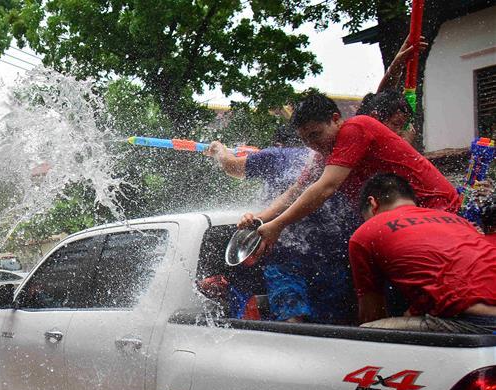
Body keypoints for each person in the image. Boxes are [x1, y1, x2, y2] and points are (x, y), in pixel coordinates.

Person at [245, 91, 461, 255]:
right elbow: (295, 191)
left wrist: (279, 224)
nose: (313, 145)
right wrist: (261, 218)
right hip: (401, 223)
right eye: (306, 140)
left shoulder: (355, 128)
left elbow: (325, 188)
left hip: (437, 214)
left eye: (316, 135)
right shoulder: (326, 153)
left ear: (336, 118)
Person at [208, 125, 355, 323]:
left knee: (292, 321)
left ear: (278, 143)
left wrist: (218, 149)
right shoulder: (328, 158)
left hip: (286, 257)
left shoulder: (274, 155)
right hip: (333, 256)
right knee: (332, 325)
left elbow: (231, 166)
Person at [349, 174, 496, 333]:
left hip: (476, 324)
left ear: (373, 203)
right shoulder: (457, 220)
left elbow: (372, 314)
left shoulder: (366, 232)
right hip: (479, 313)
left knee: (366, 332)